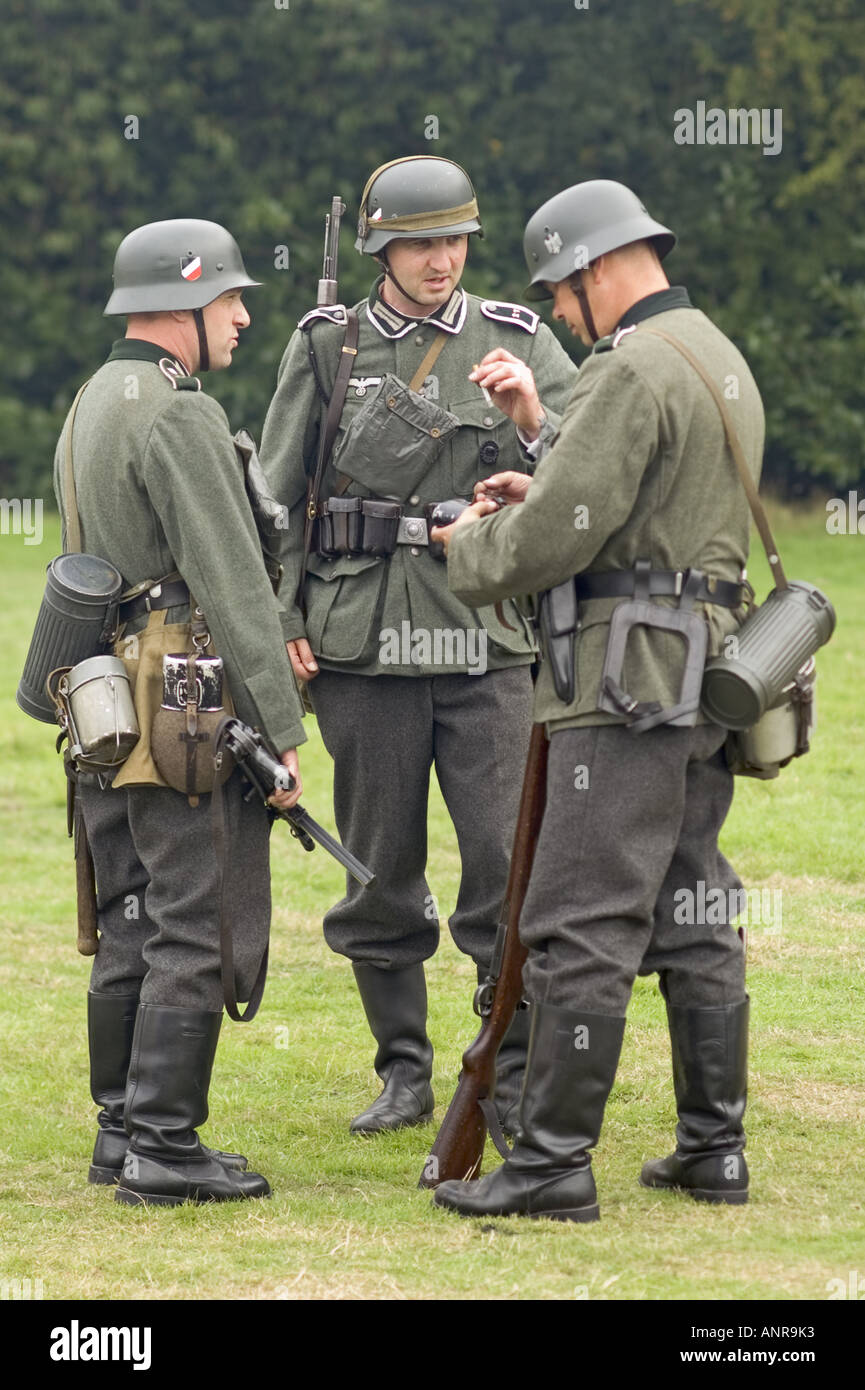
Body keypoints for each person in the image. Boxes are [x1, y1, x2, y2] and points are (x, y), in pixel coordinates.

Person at [430, 179, 763, 1221]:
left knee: (577, 919)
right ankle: (712, 1148)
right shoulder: (716, 354)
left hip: (621, 686)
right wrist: (547, 479)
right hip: (708, 674)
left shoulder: (631, 367)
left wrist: (467, 544)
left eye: (562, 296)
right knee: (692, 906)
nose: (564, 318)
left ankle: (552, 1164)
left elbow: (549, 545)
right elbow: (654, 512)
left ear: (595, 267)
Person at [260, 157, 576, 1135]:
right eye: (419, 242)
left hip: (484, 640)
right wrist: (283, 619)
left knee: (502, 864)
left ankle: (507, 1069)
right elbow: (274, 499)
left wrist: (531, 417)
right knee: (379, 869)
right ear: (381, 250)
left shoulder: (517, 337)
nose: (441, 260)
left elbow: (592, 454)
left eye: (454, 241)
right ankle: (402, 1072)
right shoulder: (327, 343)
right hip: (360, 645)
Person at [55, 218, 306, 1206]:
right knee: (191, 919)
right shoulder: (178, 412)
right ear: (182, 303)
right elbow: (233, 583)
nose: (244, 317)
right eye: (231, 300)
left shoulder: (91, 402)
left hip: (102, 693)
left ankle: (120, 1131)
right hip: (181, 694)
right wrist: (281, 729)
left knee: (128, 916)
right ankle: (165, 1145)